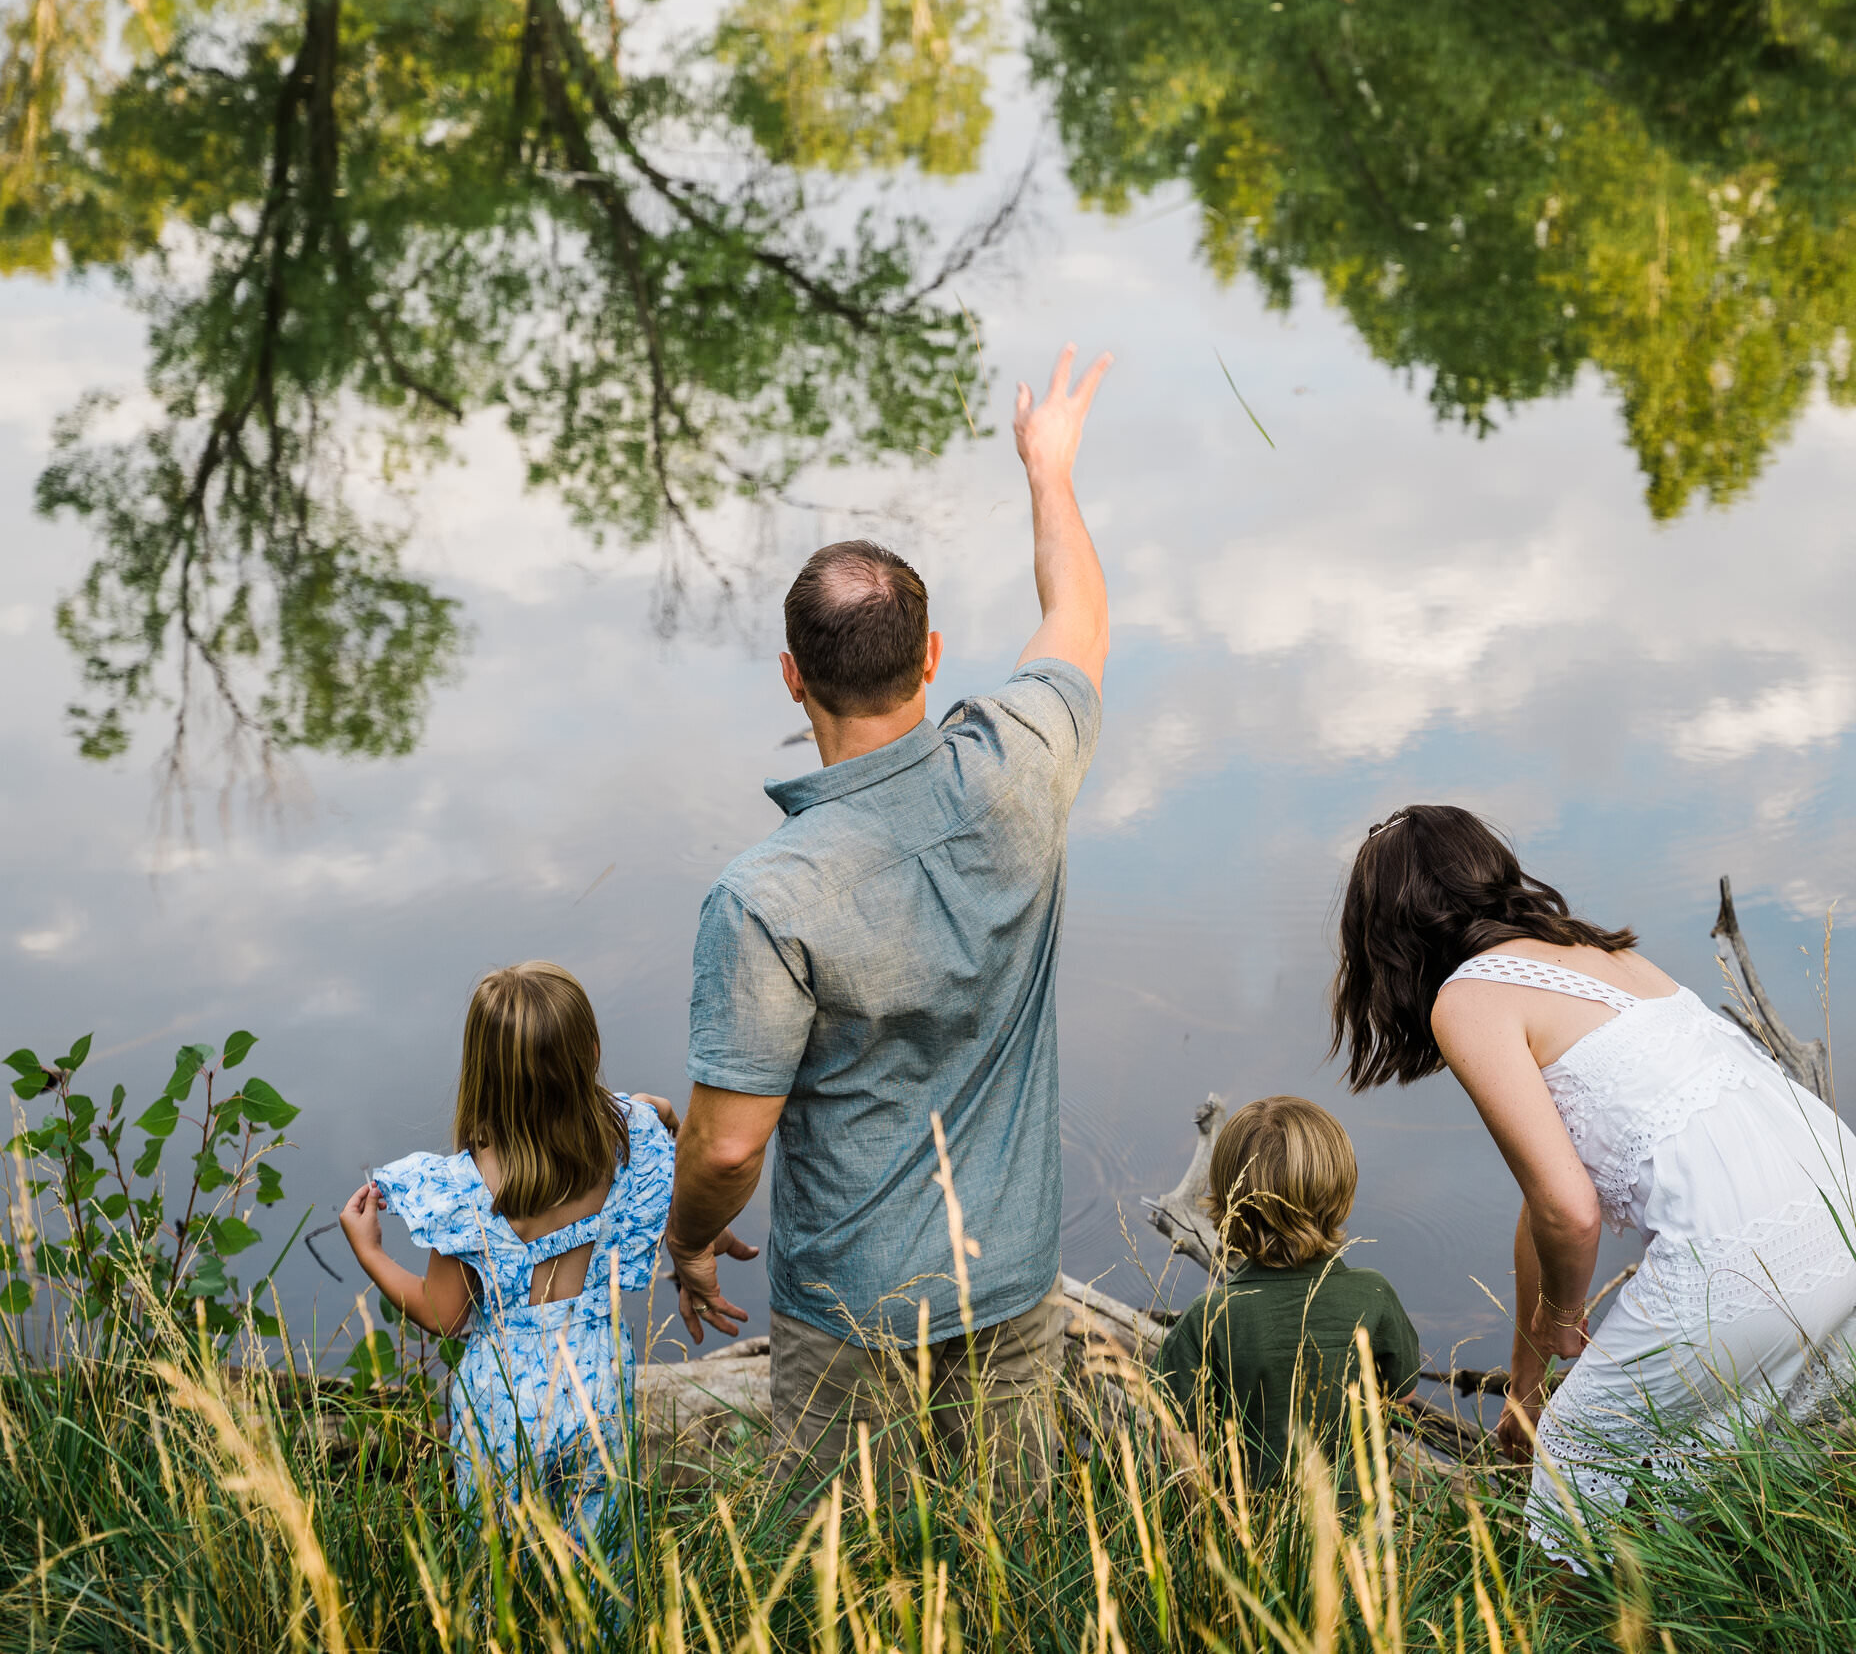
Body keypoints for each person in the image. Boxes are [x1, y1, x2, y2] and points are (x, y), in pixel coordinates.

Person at [665, 344, 1114, 1503]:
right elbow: (1078, 611)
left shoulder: (765, 895)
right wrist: (1048, 469)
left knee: (835, 1573)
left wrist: (691, 1239)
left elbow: (724, 1145)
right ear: (930, 658)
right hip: (1008, 1279)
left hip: (850, 1303)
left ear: (789, 676)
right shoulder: (1022, 765)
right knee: (1003, 1561)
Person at [1329, 806, 1856, 1556]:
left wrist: (1565, 1316)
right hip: (1854, 1215)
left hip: (1742, 1255)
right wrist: (1525, 1387)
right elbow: (1544, 1207)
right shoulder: (1598, 952)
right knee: (1744, 1483)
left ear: (1387, 932)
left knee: (1576, 1461)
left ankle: (1574, 1628)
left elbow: (1571, 1210)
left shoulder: (1465, 998)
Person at [340, 961, 678, 1541]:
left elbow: (443, 1317)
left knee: (500, 1573)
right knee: (600, 1565)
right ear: (591, 1052)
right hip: (599, 1387)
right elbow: (667, 1118)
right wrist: (648, 1110)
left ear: (481, 1073)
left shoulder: (465, 1191)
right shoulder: (632, 1136)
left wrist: (371, 1253)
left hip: (502, 1410)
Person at [1151, 1096, 1422, 1490]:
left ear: (1227, 1202)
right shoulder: (1374, 1293)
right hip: (1360, 1520)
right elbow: (1403, 1394)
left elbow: (1172, 1434)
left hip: (1252, 1524)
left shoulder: (1209, 1315)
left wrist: (1210, 1514)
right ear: (1341, 1191)